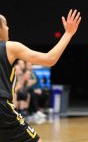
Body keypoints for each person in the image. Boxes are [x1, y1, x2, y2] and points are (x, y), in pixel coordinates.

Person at [0, 9, 81, 142]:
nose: (8, 28)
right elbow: (50, 59)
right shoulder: (9, 47)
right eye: (6, 25)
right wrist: (68, 33)